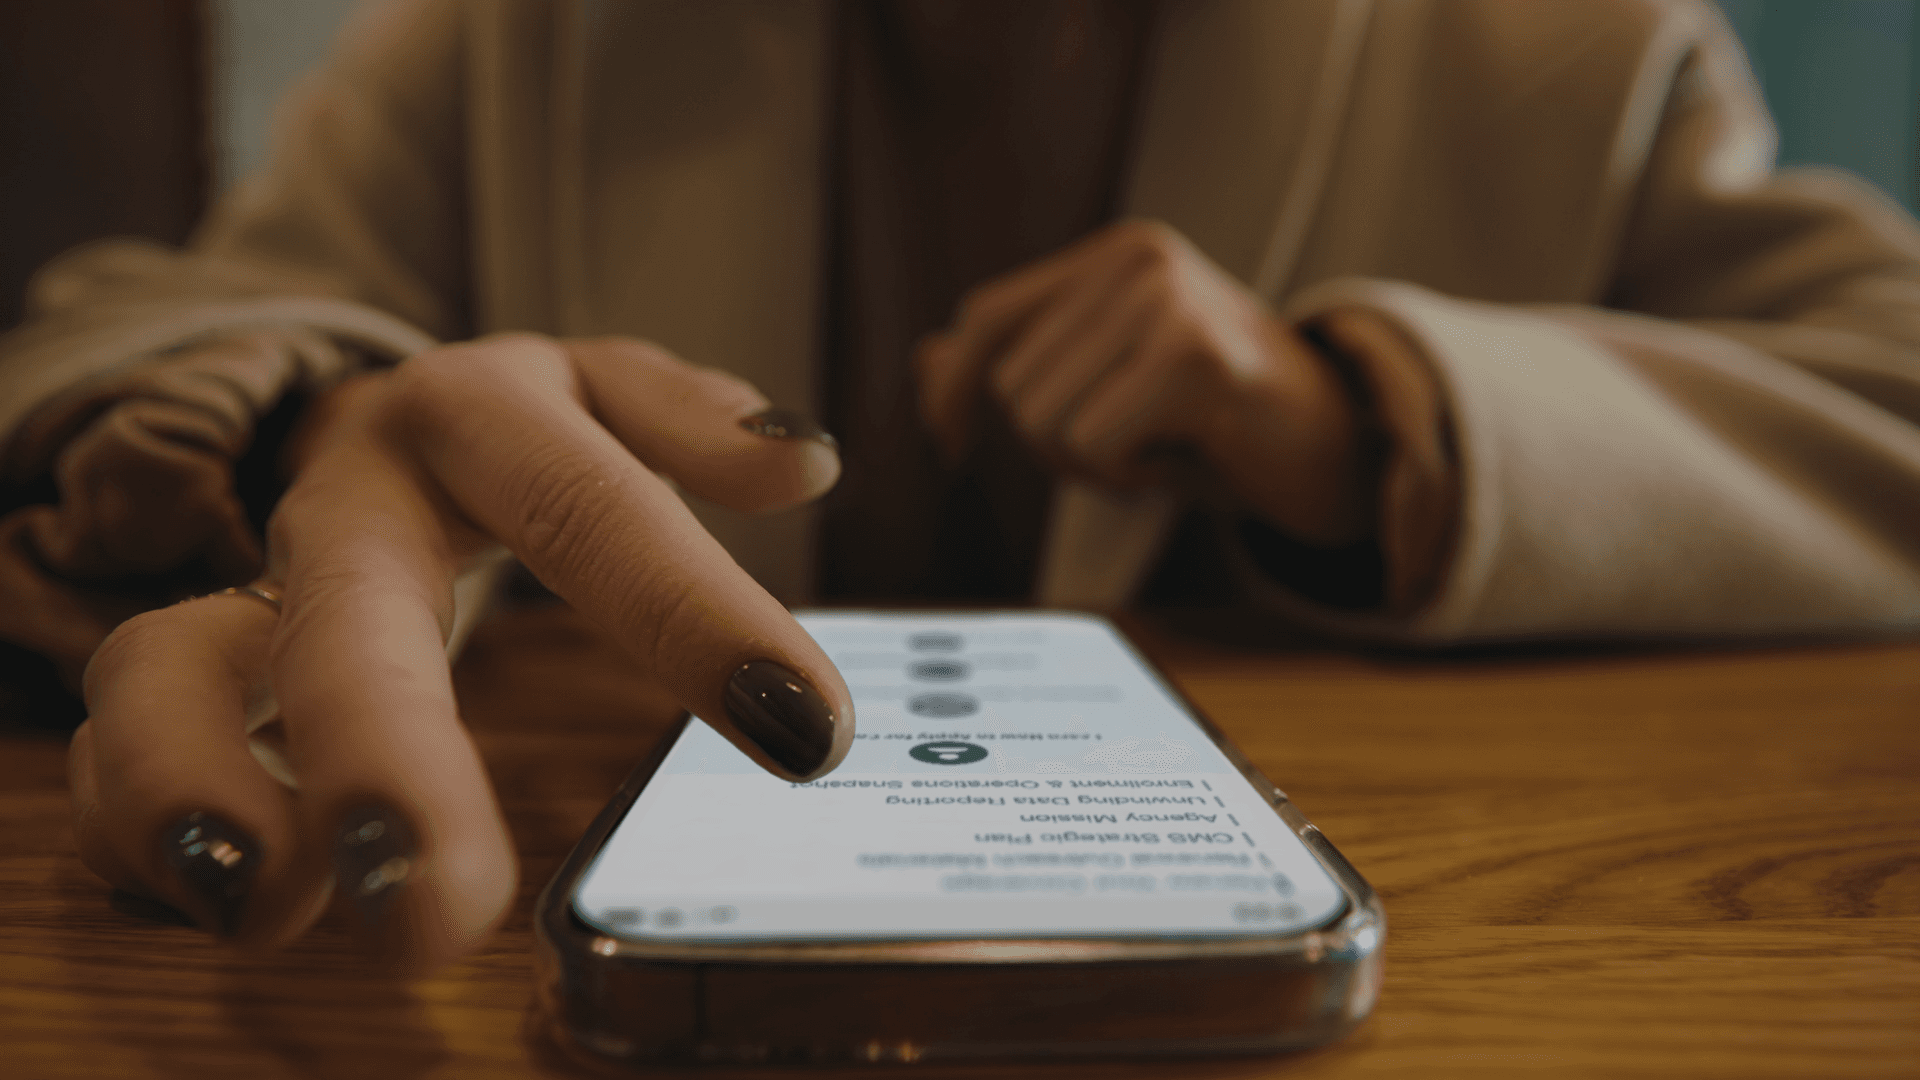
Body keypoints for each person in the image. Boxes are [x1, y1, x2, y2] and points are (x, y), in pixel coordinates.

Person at [3, 0, 1918, 971]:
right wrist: (311, 434)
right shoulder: (500, 36)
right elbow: (149, 315)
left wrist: (1366, 411)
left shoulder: (1574, 46)